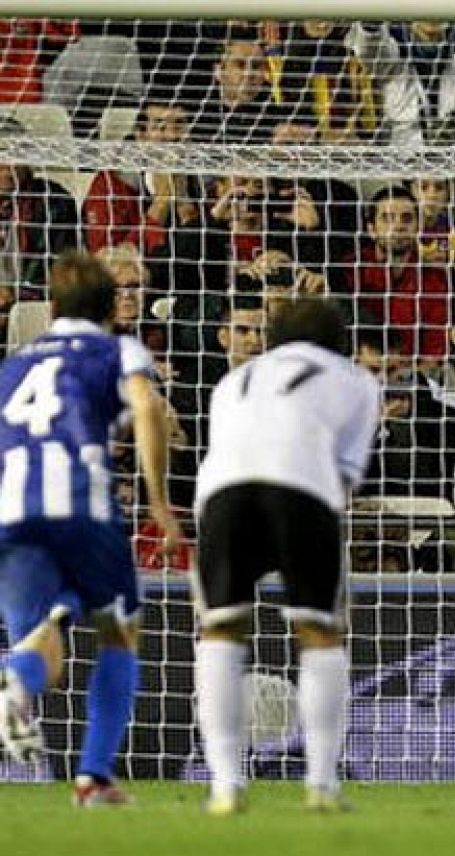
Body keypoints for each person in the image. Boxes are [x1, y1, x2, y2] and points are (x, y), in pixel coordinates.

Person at [0, 251, 180, 806]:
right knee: (118, 631)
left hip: (11, 511)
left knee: (44, 638)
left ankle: (14, 685)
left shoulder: (16, 363)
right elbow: (147, 409)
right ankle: (95, 775)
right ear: (110, 307)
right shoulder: (118, 347)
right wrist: (159, 500)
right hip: (81, 504)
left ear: (52, 306)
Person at [190, 297, 382, 814]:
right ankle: (321, 784)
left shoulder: (233, 381)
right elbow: (345, 476)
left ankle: (226, 784)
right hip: (302, 490)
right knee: (320, 633)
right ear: (340, 342)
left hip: (222, 497)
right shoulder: (357, 380)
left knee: (219, 631)